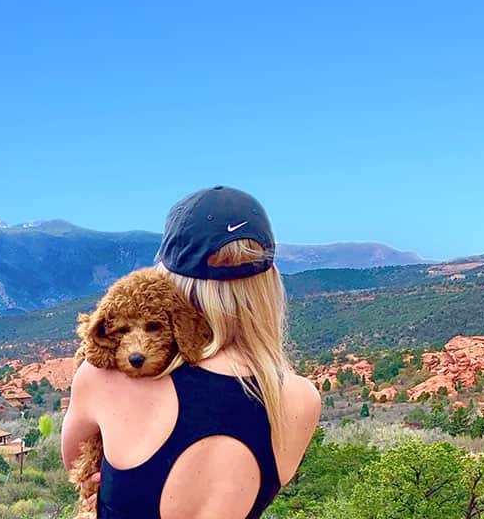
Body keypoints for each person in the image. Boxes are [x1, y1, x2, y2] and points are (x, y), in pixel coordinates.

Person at [61, 186, 321, 519]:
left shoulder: (107, 378)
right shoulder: (299, 399)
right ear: (270, 284)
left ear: (168, 277)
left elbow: (78, 467)